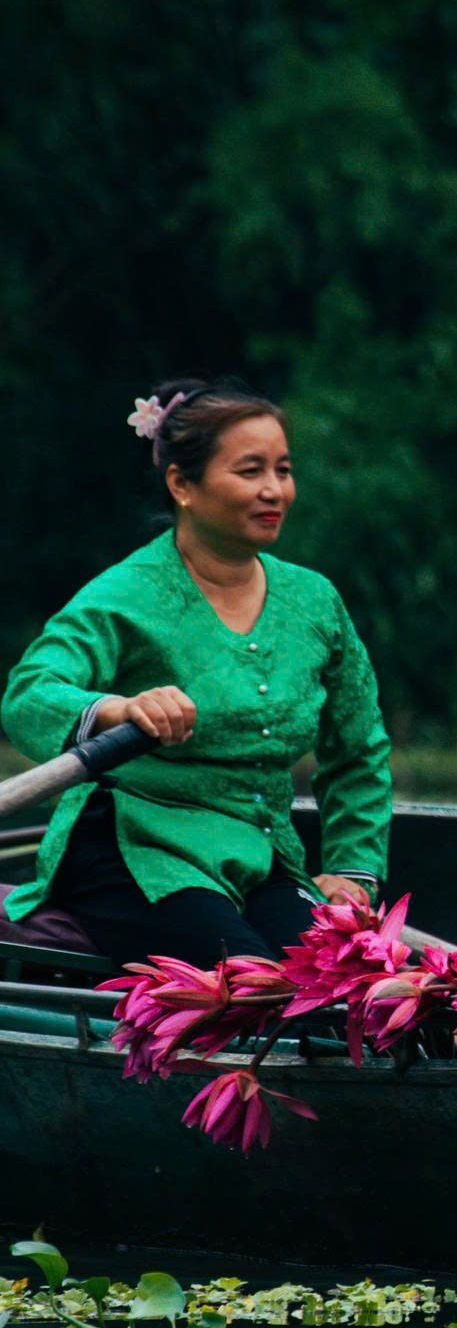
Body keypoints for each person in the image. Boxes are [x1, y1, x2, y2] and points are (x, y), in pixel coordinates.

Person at [1, 380, 391, 966]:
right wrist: (118, 710)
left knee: (343, 983)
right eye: (250, 471)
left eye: (283, 470)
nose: (273, 490)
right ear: (183, 484)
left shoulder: (316, 601)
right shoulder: (127, 594)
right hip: (136, 853)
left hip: (260, 857)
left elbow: (359, 753)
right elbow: (28, 695)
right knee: (253, 987)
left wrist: (351, 873)